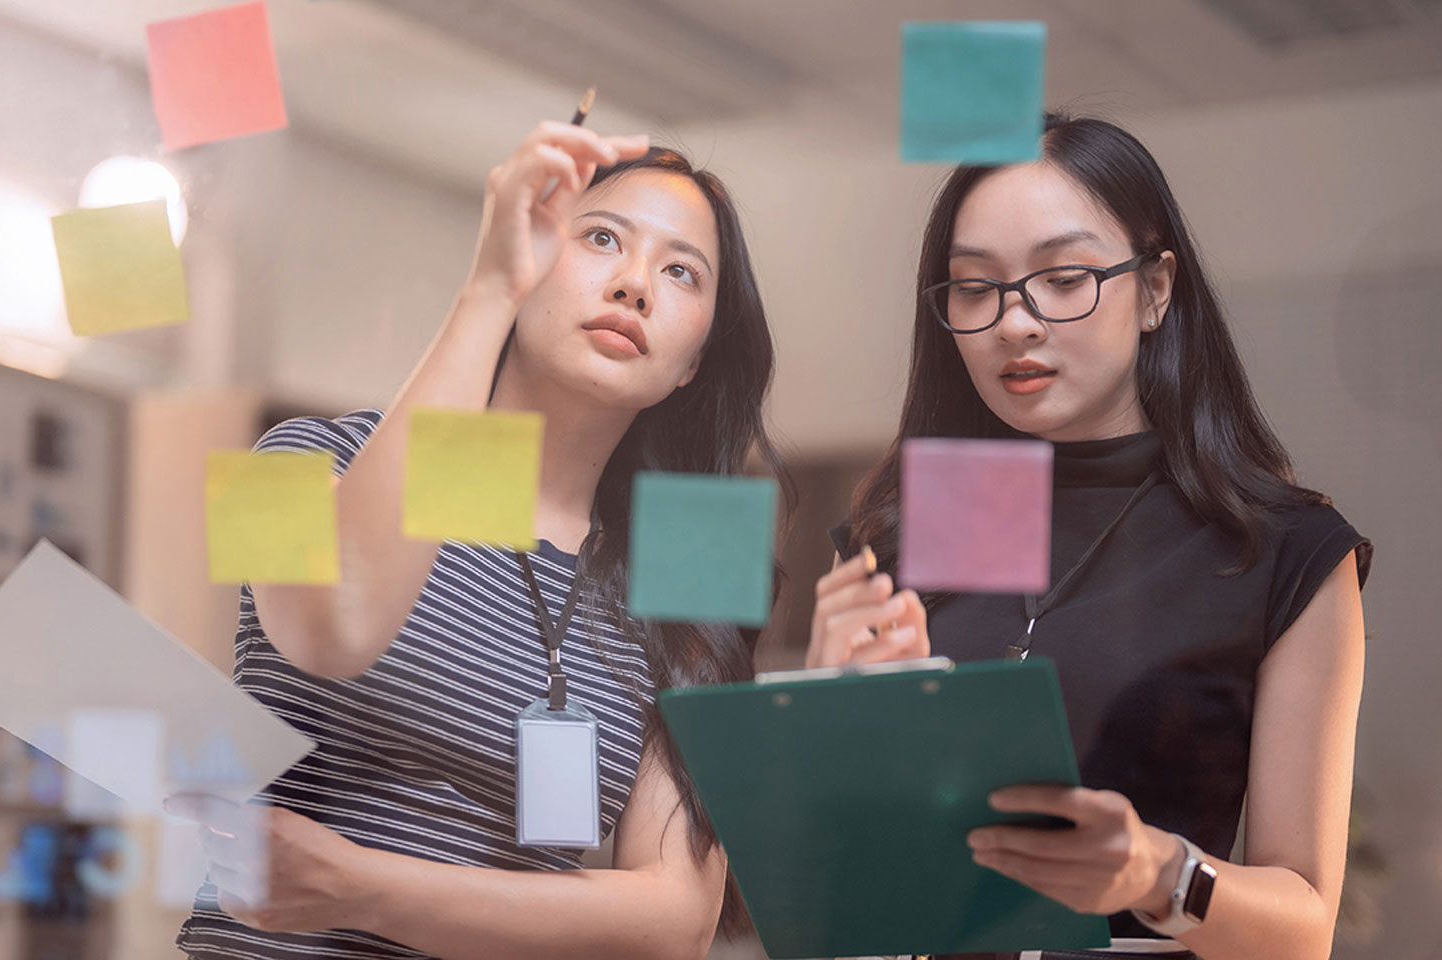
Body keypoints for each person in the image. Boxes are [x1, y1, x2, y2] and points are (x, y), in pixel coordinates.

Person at [174, 122, 788, 960]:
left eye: (682, 272)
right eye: (602, 237)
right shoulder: (294, 456)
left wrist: (365, 887)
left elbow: (674, 923)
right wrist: (488, 290)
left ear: (693, 361)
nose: (636, 284)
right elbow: (333, 628)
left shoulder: (687, 576)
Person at [817, 113, 1369, 960]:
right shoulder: (898, 535)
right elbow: (836, 883)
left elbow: (1304, 927)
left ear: (1156, 289)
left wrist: (1159, 873)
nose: (1015, 323)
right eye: (975, 287)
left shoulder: (1279, 550)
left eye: (1063, 277)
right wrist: (819, 726)